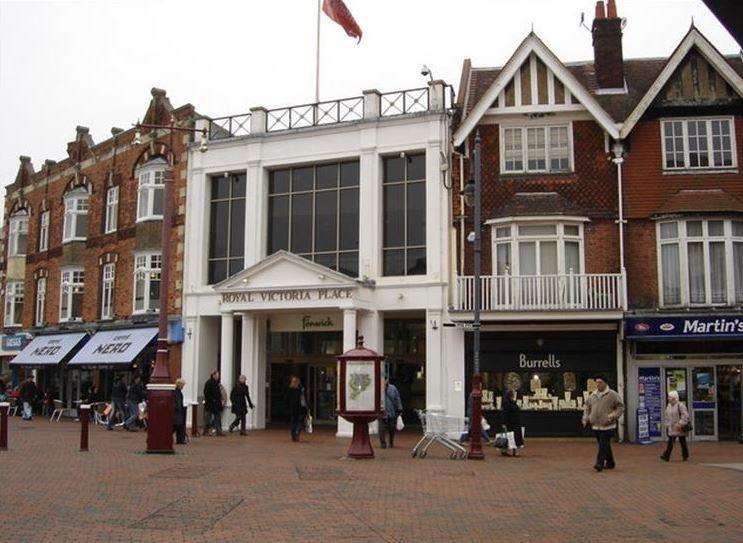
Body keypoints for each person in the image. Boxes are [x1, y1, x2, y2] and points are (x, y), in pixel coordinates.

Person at [582, 375, 624, 472]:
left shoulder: (612, 394)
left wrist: (613, 416)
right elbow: (587, 407)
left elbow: (620, 407)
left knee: (602, 445)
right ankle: (610, 462)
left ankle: (599, 464)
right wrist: (585, 418)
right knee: (605, 445)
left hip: (608, 425)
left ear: (605, 383)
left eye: (600, 382)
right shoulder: (592, 395)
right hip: (596, 425)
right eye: (596, 382)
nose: (598, 384)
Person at [661, 390, 690, 462]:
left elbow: (685, 415)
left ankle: (684, 455)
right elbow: (667, 416)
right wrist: (667, 424)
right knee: (673, 442)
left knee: (681, 442)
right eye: (668, 397)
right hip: (672, 427)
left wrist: (681, 423)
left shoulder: (680, 405)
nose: (668, 398)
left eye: (670, 397)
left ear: (674, 398)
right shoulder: (669, 406)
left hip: (679, 427)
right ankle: (667, 456)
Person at [379, 378, 403, 449]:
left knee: (391, 428)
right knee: (381, 428)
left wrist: (400, 408)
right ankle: (383, 443)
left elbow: (397, 398)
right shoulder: (378, 388)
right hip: (382, 412)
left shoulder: (393, 388)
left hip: (391, 411)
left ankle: (391, 442)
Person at [502, 389, 524, 456]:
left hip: (513, 422)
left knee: (511, 437)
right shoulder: (508, 403)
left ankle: (508, 450)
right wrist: (504, 423)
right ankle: (512, 451)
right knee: (512, 437)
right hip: (512, 422)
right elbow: (505, 414)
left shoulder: (509, 402)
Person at [203, 370, 224, 436]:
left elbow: (218, 393)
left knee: (218, 417)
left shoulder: (216, 383)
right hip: (210, 403)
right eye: (217, 375)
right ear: (213, 375)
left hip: (217, 403)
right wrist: (212, 399)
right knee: (208, 418)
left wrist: (220, 399)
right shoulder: (208, 383)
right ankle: (206, 431)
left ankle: (219, 431)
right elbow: (206, 393)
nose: (218, 376)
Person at [287, 376, 306, 442]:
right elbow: (302, 399)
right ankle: (296, 434)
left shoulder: (292, 389)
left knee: (294, 422)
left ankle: (294, 435)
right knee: (298, 422)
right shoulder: (299, 390)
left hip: (295, 408)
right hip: (298, 408)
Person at [173, 379, 187, 445]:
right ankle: (180, 439)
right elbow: (176, 402)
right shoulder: (176, 392)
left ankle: (180, 439)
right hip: (176, 412)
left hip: (178, 411)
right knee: (176, 426)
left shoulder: (179, 392)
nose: (183, 387)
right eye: (182, 385)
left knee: (178, 426)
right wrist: (177, 408)